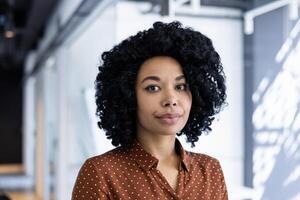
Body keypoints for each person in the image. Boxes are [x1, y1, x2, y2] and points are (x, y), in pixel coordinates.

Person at [72, 21, 228, 200]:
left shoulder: (210, 170)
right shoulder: (101, 173)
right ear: (129, 96)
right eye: (153, 88)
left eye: (181, 86)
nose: (170, 100)